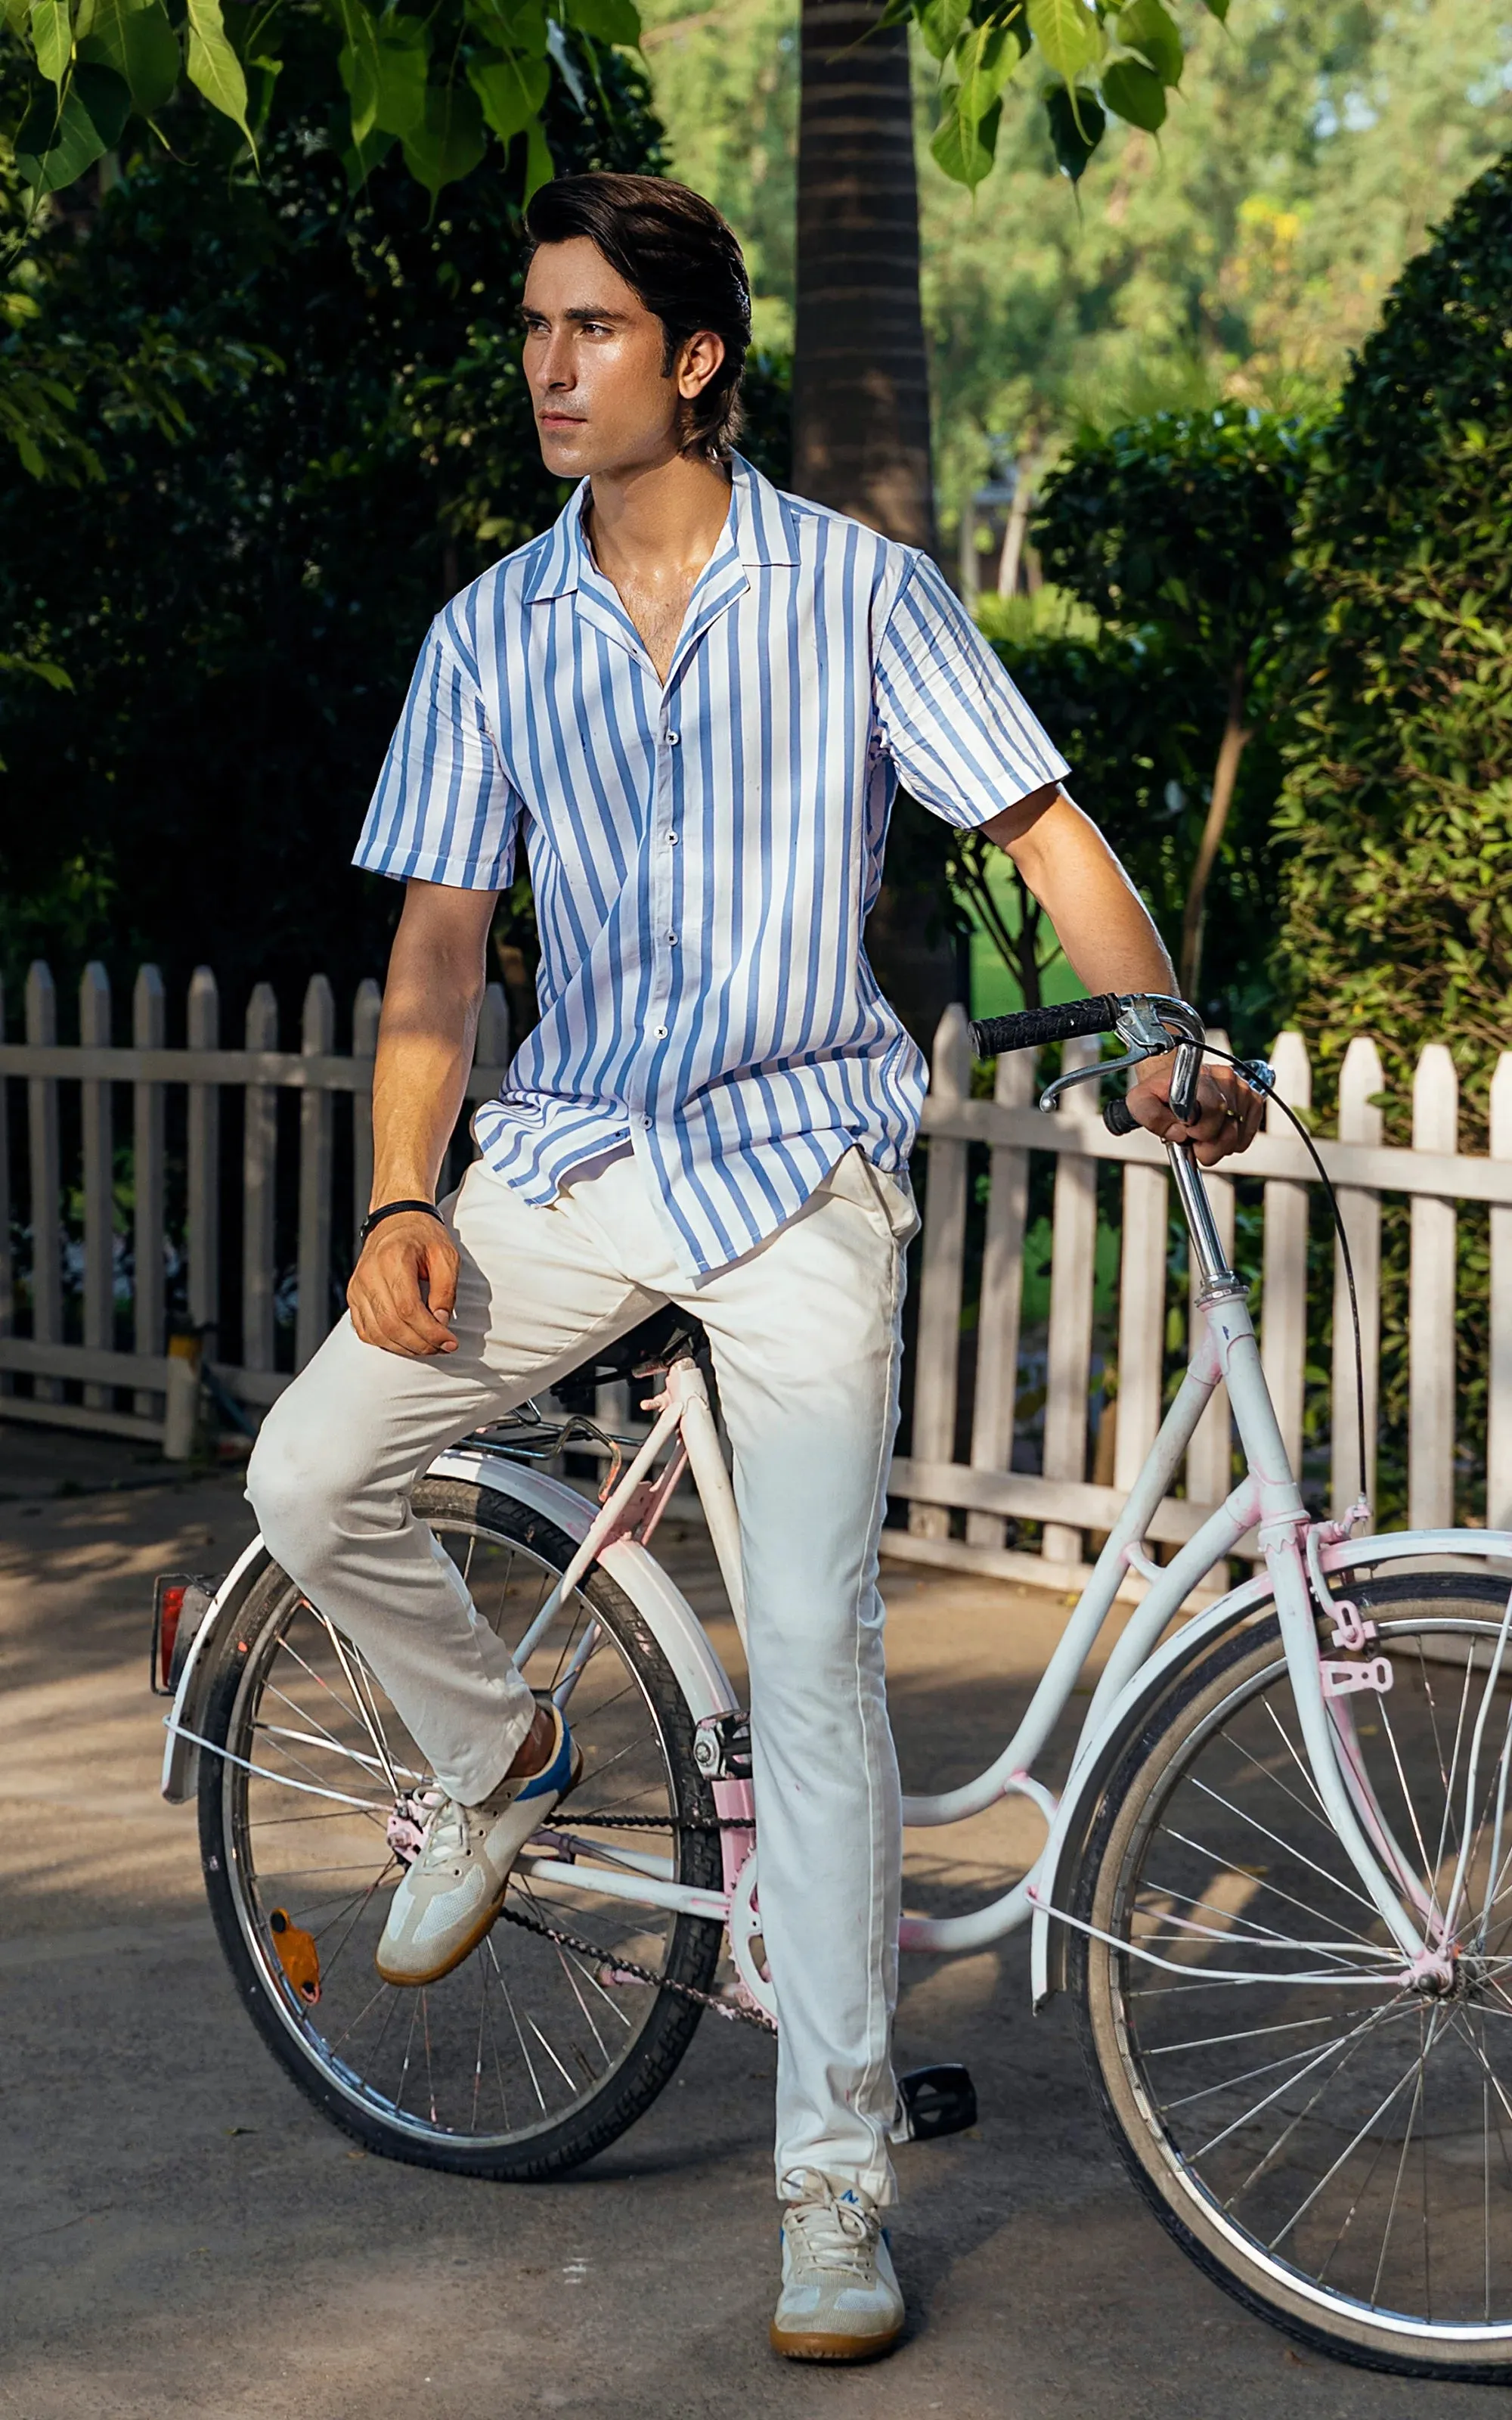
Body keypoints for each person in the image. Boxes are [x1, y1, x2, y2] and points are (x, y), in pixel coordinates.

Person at [246, 170, 1261, 2363]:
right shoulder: (487, 631)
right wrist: (406, 1201)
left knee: (807, 1647)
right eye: (534, 327)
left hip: (798, 1164)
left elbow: (1039, 832)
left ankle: (831, 2185)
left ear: (694, 358)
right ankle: (498, 1751)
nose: (546, 365)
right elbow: (438, 945)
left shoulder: (864, 594)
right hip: (575, 1154)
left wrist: (1165, 1032)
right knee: (312, 1471)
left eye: (592, 329)